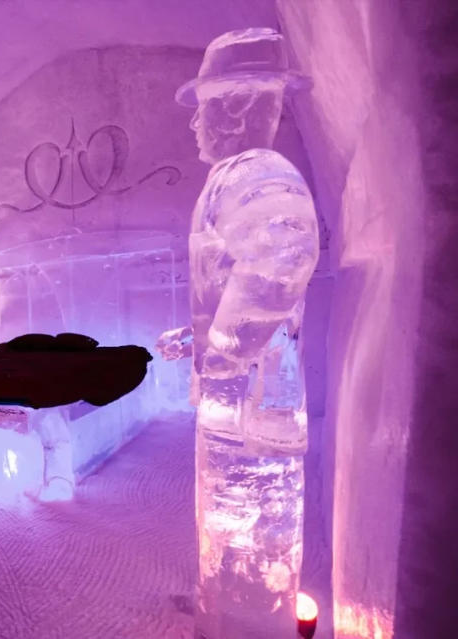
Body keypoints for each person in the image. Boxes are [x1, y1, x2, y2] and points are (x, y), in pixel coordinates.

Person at [161, 28, 319, 638]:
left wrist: (221, 356)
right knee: (226, 526)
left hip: (255, 413)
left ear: (235, 108)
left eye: (203, 109)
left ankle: (249, 627)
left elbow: (283, 259)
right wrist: (195, 337)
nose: (193, 126)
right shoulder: (232, 178)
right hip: (236, 408)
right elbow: (235, 281)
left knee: (254, 533)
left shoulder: (256, 172)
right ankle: (217, 614)